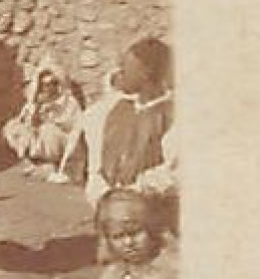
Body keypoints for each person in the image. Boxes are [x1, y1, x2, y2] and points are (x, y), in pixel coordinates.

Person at [59, 38, 174, 206]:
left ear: (145, 73)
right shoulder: (115, 109)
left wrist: (138, 189)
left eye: (126, 68)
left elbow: (175, 172)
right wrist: (102, 193)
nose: (120, 73)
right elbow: (95, 165)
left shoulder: (172, 116)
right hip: (110, 207)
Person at [3, 59, 82, 175]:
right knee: (12, 127)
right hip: (37, 134)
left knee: (48, 130)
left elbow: (75, 126)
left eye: (51, 84)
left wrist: (52, 118)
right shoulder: (37, 101)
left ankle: (53, 163)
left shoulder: (68, 102)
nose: (47, 88)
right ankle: (35, 161)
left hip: (59, 139)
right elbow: (24, 119)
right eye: (44, 84)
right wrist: (34, 115)